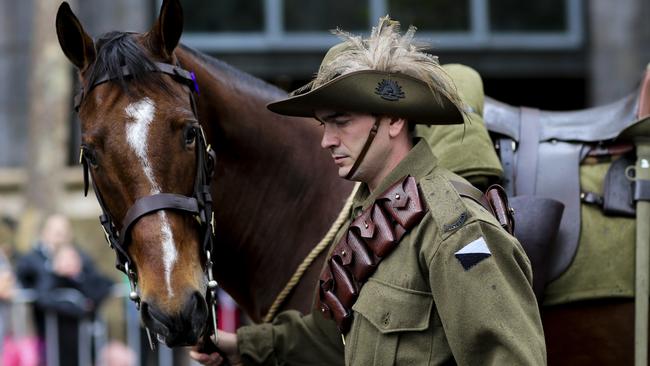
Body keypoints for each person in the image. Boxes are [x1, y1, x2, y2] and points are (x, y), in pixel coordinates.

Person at [191, 16, 545, 365]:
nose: (327, 141)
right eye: (324, 124)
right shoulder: (371, 218)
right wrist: (245, 346)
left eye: (341, 122)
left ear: (393, 120)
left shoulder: (454, 228)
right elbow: (335, 339)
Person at [15, 213, 114, 366]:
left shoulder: (80, 256)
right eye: (55, 231)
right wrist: (54, 273)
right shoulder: (31, 259)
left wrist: (77, 275)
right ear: (44, 233)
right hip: (49, 335)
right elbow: (35, 294)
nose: (60, 236)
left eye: (64, 231)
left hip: (83, 334)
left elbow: (102, 283)